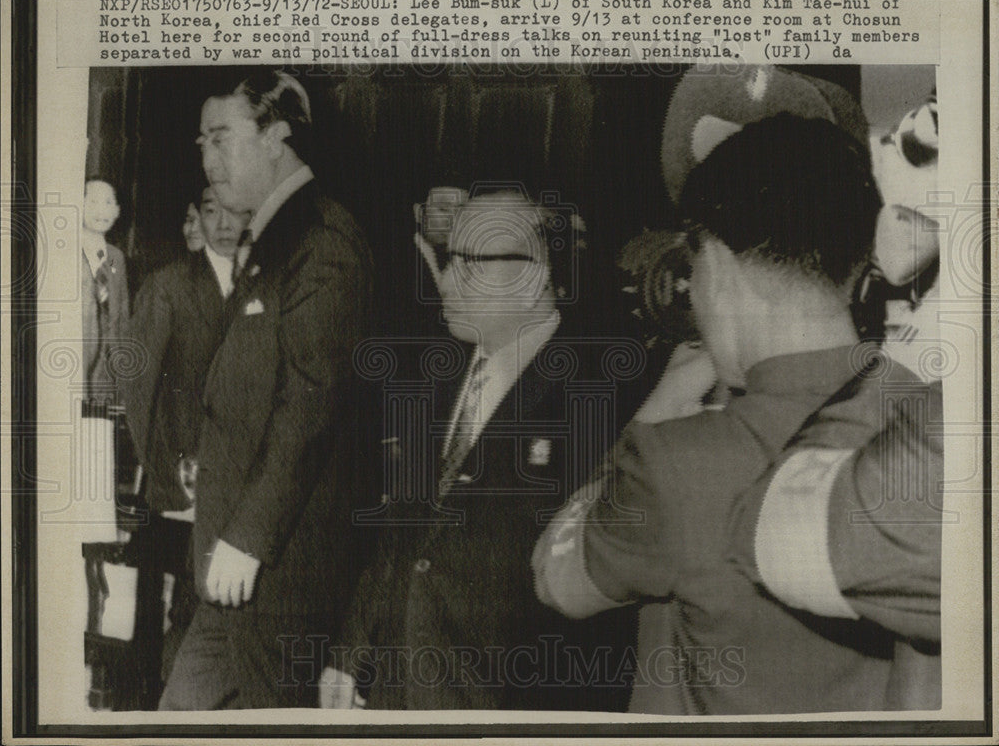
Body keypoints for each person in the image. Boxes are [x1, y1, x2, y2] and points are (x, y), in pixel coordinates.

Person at [533, 114, 941, 713]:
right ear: (859, 262)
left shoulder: (672, 462)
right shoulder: (929, 425)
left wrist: (654, 415)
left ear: (716, 266)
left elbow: (555, 580)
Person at [323, 189, 637, 711]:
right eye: (448, 260)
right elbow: (400, 533)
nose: (445, 279)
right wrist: (352, 650)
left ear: (536, 274)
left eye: (469, 261)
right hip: (397, 697)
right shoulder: (437, 371)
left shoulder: (600, 400)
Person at [158, 70, 374, 710]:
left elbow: (312, 403)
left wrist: (249, 535)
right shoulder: (273, 237)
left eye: (221, 138)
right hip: (234, 568)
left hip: (275, 573)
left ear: (277, 135)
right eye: (202, 141)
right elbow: (253, 387)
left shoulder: (321, 242)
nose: (207, 156)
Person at [119, 185, 250, 685]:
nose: (223, 224)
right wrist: (159, 470)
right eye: (211, 211)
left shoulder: (263, 289)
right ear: (195, 216)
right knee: (161, 613)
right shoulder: (168, 285)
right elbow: (138, 389)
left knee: (209, 615)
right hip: (176, 487)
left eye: (236, 211)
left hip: (235, 490)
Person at [81, 178, 129, 402]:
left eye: (109, 202)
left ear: (118, 211)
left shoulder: (114, 258)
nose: (102, 210)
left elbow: (122, 317)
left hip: (107, 376)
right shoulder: (68, 252)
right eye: (93, 202)